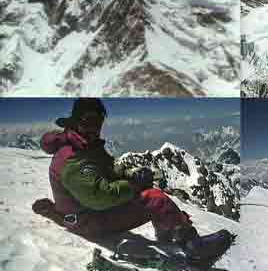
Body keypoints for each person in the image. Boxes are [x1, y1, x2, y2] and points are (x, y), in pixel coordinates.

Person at [33, 98, 230, 262]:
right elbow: (100, 196)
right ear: (76, 121)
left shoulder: (84, 146)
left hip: (82, 214)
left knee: (147, 196)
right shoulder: (73, 158)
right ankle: (194, 248)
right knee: (155, 199)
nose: (95, 128)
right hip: (89, 220)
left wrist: (131, 175)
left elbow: (108, 168)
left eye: (98, 122)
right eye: (89, 121)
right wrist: (134, 185)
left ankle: (169, 234)